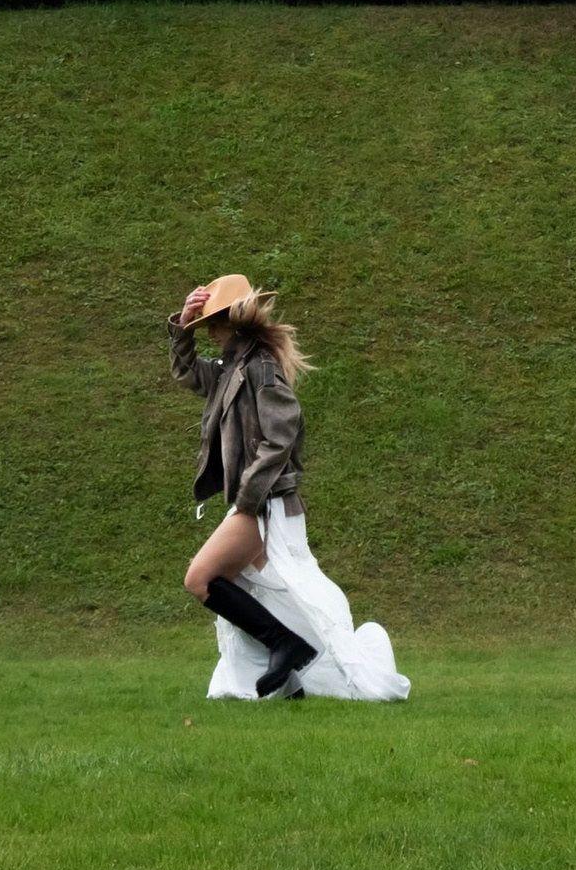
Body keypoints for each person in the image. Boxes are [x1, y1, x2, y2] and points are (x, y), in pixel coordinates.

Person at [167, 273, 410, 704]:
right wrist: (179, 325)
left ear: (232, 323)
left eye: (212, 324)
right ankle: (287, 666)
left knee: (200, 578)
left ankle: (286, 646)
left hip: (265, 502)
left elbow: (283, 433)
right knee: (250, 589)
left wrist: (247, 499)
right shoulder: (231, 369)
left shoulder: (259, 367)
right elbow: (188, 374)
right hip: (256, 501)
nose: (209, 332)